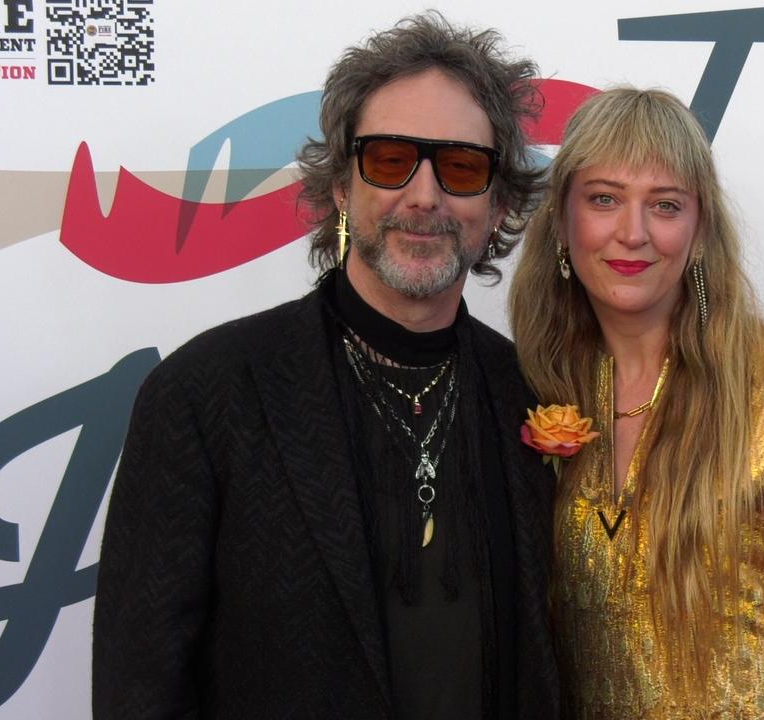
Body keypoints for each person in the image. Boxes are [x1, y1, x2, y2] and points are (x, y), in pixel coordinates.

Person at [92, 13, 558, 719]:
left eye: (461, 167)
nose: (425, 195)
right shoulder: (205, 396)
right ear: (342, 186)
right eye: (391, 160)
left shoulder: (528, 394)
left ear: (495, 207)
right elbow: (140, 689)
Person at [509, 88, 764, 719]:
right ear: (562, 221)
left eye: (665, 205)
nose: (632, 233)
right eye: (604, 199)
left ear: (700, 228)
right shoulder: (530, 388)